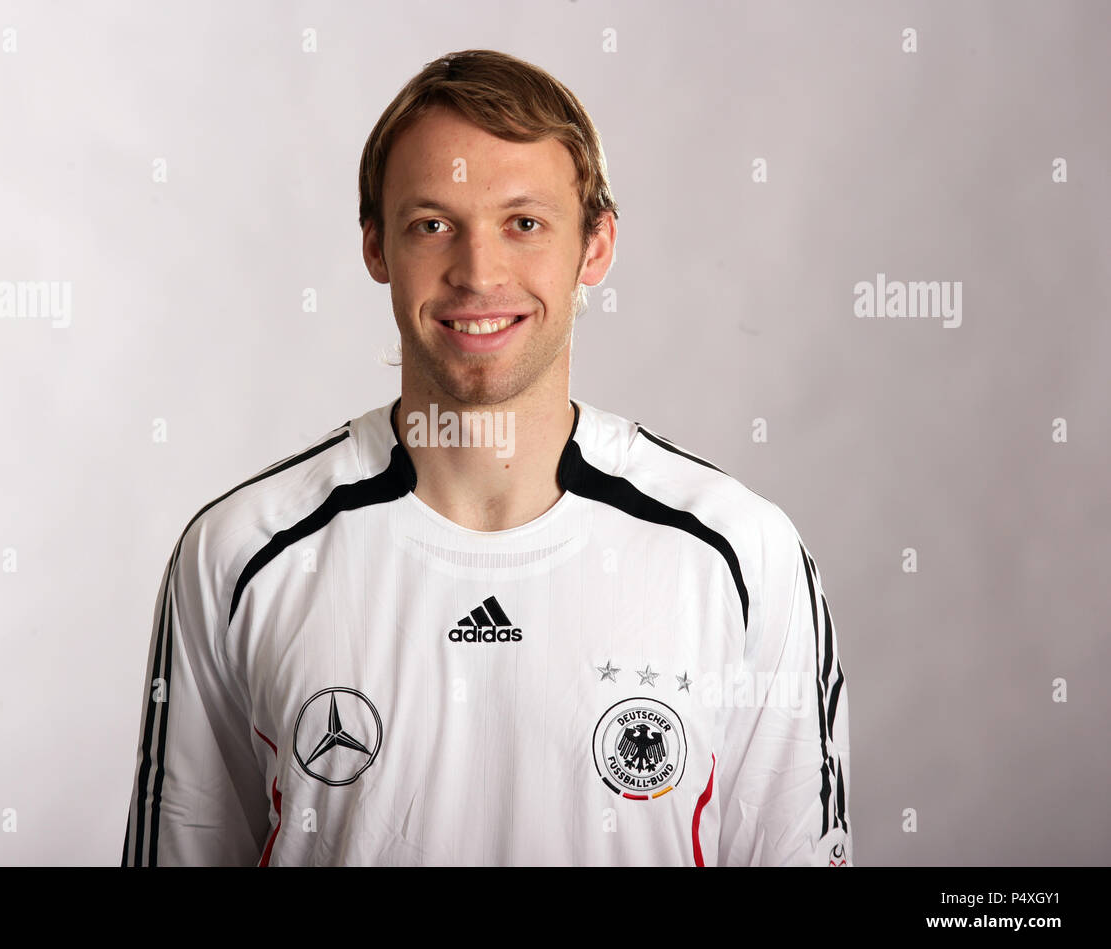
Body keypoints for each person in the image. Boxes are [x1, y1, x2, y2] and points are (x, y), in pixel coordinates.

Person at [121, 49, 852, 866]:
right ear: (375, 249)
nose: (478, 272)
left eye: (524, 223)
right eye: (432, 224)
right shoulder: (240, 554)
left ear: (596, 249)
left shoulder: (739, 554)